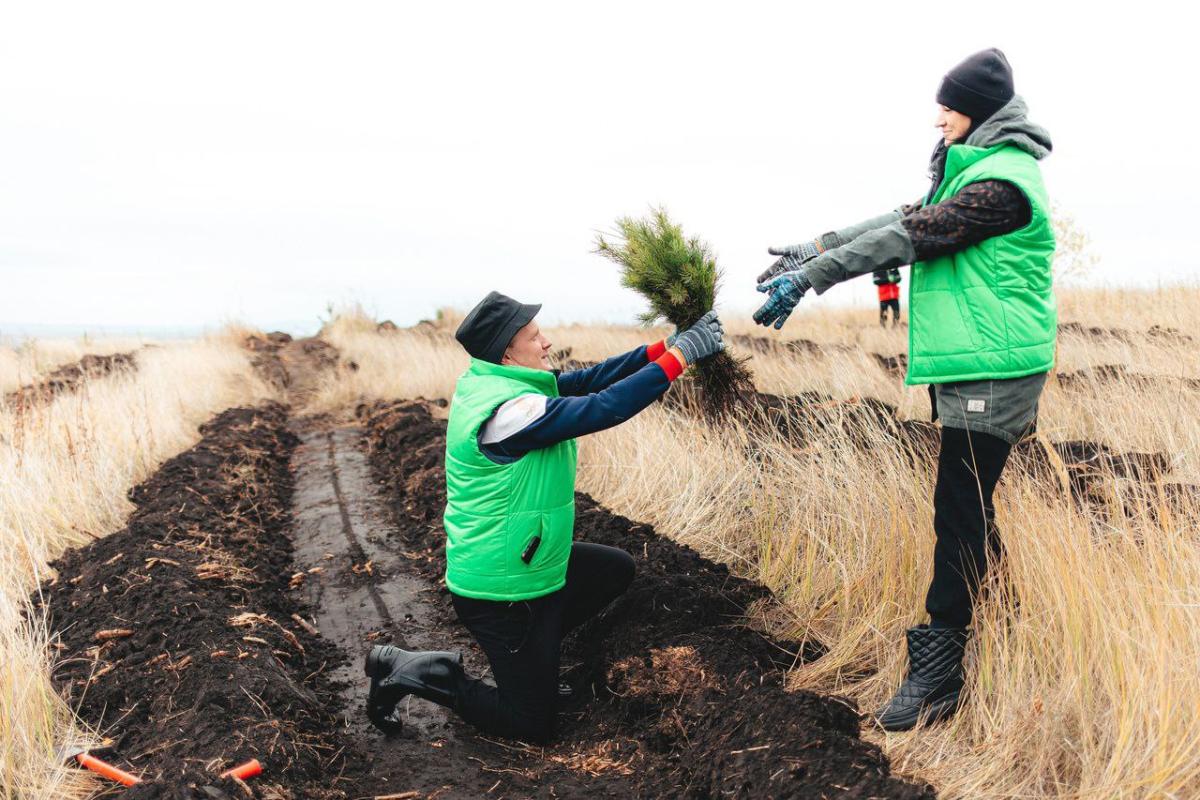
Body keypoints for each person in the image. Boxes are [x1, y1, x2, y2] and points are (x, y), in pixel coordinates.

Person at [753, 48, 1055, 731]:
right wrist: (815, 246)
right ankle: (1003, 625)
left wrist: (815, 276)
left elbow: (913, 235)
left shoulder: (1003, 185)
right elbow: (902, 215)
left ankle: (941, 669)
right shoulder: (974, 170)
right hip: (973, 361)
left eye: (947, 104)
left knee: (958, 506)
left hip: (996, 367)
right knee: (970, 506)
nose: (938, 115)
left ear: (977, 109)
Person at [364, 291, 725, 742]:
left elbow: (590, 380)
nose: (547, 343)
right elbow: (603, 406)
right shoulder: (509, 412)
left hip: (528, 565)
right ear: (507, 352)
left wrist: (662, 348)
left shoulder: (500, 382)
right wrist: (680, 359)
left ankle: (537, 656)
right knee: (532, 723)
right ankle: (418, 669)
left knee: (613, 570)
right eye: (535, 337)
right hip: (500, 589)